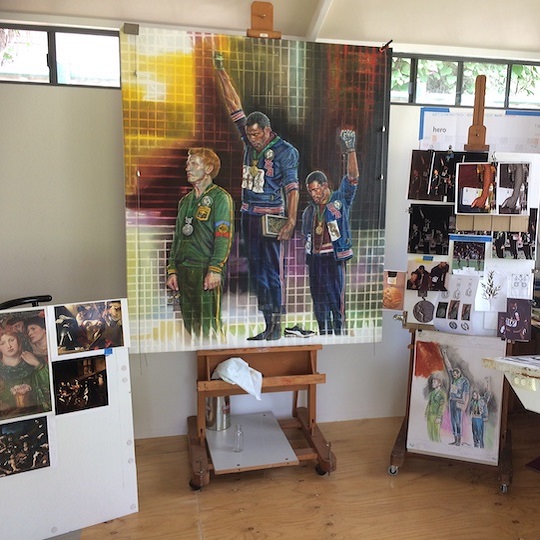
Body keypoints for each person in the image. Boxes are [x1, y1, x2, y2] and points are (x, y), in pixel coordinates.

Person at [213, 52, 299, 341]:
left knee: (272, 273)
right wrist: (221, 70)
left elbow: (293, 188)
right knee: (257, 274)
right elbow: (233, 104)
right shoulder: (248, 140)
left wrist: (290, 221)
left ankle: (277, 326)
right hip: (249, 215)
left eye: (257, 135)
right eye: (249, 135)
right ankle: (267, 325)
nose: (252, 139)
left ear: (267, 130)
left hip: (272, 216)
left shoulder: (286, 150)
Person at [166, 147, 235, 340]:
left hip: (205, 270)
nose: (187, 168)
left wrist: (215, 269)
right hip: (184, 270)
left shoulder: (220, 198)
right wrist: (172, 269)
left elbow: (223, 237)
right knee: (190, 325)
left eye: (193, 163)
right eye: (188, 163)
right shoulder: (185, 201)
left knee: (209, 325)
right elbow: (178, 237)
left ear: (208, 169)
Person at [301, 129, 358, 335]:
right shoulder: (309, 211)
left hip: (333, 258)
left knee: (336, 301)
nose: (314, 194)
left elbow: (352, 177)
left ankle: (339, 335)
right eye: (310, 191)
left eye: (316, 189)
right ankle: (324, 334)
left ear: (325, 186)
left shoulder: (339, 199)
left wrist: (350, 149)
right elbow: (306, 237)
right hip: (315, 260)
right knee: (319, 301)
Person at [0, 332, 51, 419]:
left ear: (19, 341)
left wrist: (37, 365)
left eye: (11, 340)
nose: (9, 346)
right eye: (2, 343)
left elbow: (49, 387)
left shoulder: (35, 363)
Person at [441, 347, 469, 446]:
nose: (454, 376)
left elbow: (466, 394)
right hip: (452, 401)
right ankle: (455, 440)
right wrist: (444, 354)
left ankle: (459, 441)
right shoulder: (452, 378)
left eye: (455, 375)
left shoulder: (464, 381)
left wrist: (465, 404)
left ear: (459, 374)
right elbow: (448, 366)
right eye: (453, 374)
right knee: (453, 421)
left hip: (459, 402)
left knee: (458, 422)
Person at [468, 378, 491, 449]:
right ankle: (476, 446)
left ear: (478, 394)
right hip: (474, 418)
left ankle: (481, 447)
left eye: (474, 395)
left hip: (479, 419)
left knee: (480, 434)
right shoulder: (472, 402)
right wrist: (470, 415)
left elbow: (488, 393)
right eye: (473, 395)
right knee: (474, 433)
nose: (473, 397)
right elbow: (470, 410)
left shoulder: (482, 400)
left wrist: (488, 382)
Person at [425, 374, 447, 442]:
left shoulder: (442, 394)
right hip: (430, 415)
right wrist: (426, 413)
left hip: (436, 415)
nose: (432, 384)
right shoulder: (432, 393)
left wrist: (439, 417)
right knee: (429, 432)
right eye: (432, 382)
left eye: (434, 382)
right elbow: (429, 404)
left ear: (439, 383)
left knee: (436, 433)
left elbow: (442, 406)